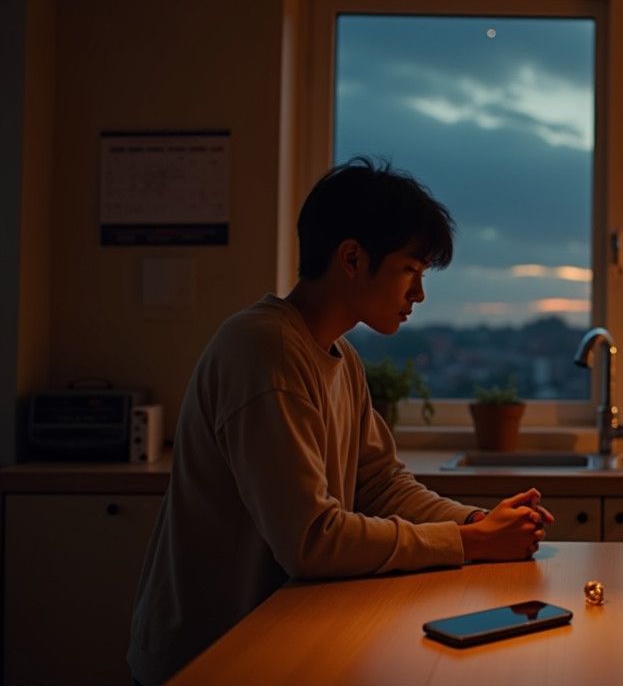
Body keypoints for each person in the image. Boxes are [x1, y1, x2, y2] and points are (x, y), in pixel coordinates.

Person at [128, 157, 553, 684]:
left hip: (275, 637)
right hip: (210, 655)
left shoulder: (338, 356)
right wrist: (471, 543)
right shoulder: (265, 350)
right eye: (410, 271)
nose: (418, 294)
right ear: (352, 258)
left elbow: (380, 484)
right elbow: (311, 540)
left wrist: (474, 522)